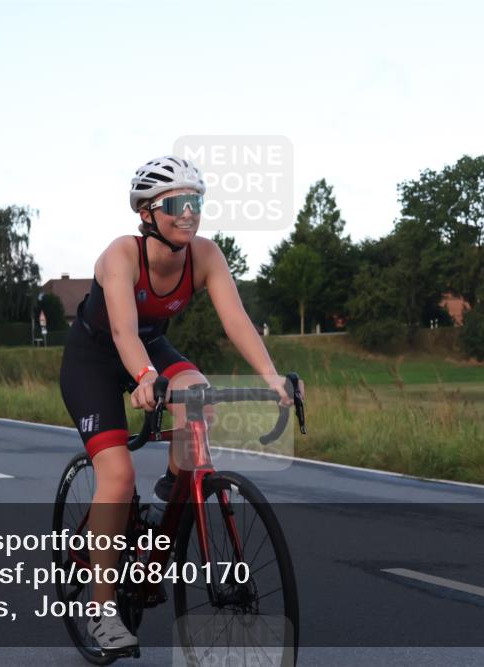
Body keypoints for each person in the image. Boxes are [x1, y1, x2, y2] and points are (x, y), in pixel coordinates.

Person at [59, 155, 304, 653]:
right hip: (95, 359)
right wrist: (145, 376)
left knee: (200, 396)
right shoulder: (121, 256)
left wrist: (272, 376)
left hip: (150, 348)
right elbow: (124, 331)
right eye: (176, 204)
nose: (188, 213)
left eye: (195, 202)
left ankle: (173, 491)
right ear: (147, 212)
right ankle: (102, 612)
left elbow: (236, 321)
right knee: (117, 475)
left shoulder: (206, 256)